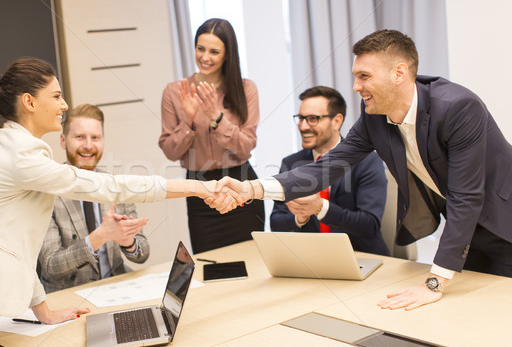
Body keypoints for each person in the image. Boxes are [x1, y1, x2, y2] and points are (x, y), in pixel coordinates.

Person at [0, 58, 238, 347]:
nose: (64, 104)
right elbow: (106, 186)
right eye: (56, 96)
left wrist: (44, 312)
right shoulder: (21, 158)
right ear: (29, 102)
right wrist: (197, 188)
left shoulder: (17, 152)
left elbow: (20, 250)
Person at [216, 29, 512, 310]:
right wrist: (251, 189)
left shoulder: (459, 108)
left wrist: (433, 284)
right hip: (467, 233)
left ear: (399, 73)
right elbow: (325, 169)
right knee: (471, 313)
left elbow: (466, 196)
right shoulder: (375, 116)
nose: (356, 87)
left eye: (364, 76)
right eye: (355, 76)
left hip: (506, 225)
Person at [158, 18, 264, 254]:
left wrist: (216, 117)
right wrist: (188, 119)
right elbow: (170, 151)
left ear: (227, 54)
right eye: (200, 49)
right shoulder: (175, 92)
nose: (205, 57)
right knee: (210, 266)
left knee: (252, 264)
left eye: (214, 51)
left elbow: (246, 147)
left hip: (241, 186)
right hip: (200, 189)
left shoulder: (246, 89)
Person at [39, 104, 151, 292]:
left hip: (115, 289)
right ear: (63, 140)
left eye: (95, 138)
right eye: (79, 137)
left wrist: (128, 242)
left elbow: (143, 254)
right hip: (69, 295)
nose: (88, 146)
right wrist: (98, 238)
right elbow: (51, 266)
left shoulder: (116, 186)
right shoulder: (45, 192)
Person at [270, 86, 389, 256]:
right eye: (301, 118)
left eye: (312, 119)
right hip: (311, 261)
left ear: (337, 121)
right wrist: (300, 217)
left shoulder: (367, 161)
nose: (303, 126)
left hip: (361, 257)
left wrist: (321, 208)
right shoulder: (292, 163)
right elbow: (276, 222)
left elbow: (368, 225)